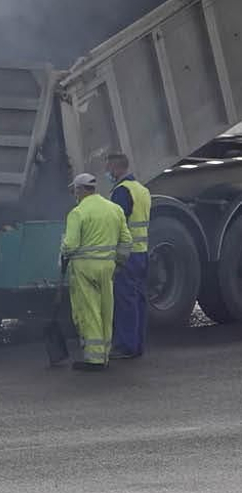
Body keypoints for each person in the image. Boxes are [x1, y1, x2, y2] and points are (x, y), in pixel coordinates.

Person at [60, 172, 132, 372]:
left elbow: (70, 245)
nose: (75, 194)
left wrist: (63, 249)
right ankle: (105, 354)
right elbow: (127, 241)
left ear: (80, 190)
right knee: (106, 310)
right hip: (107, 268)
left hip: (85, 270)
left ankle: (94, 359)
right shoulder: (114, 209)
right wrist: (119, 263)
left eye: (75, 190)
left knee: (90, 311)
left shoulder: (77, 213)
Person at [105, 153, 150, 359]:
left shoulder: (121, 192)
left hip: (127, 255)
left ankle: (126, 346)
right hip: (142, 252)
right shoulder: (142, 189)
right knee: (138, 300)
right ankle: (137, 344)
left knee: (125, 301)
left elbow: (117, 224)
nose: (107, 172)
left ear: (116, 168)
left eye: (108, 168)